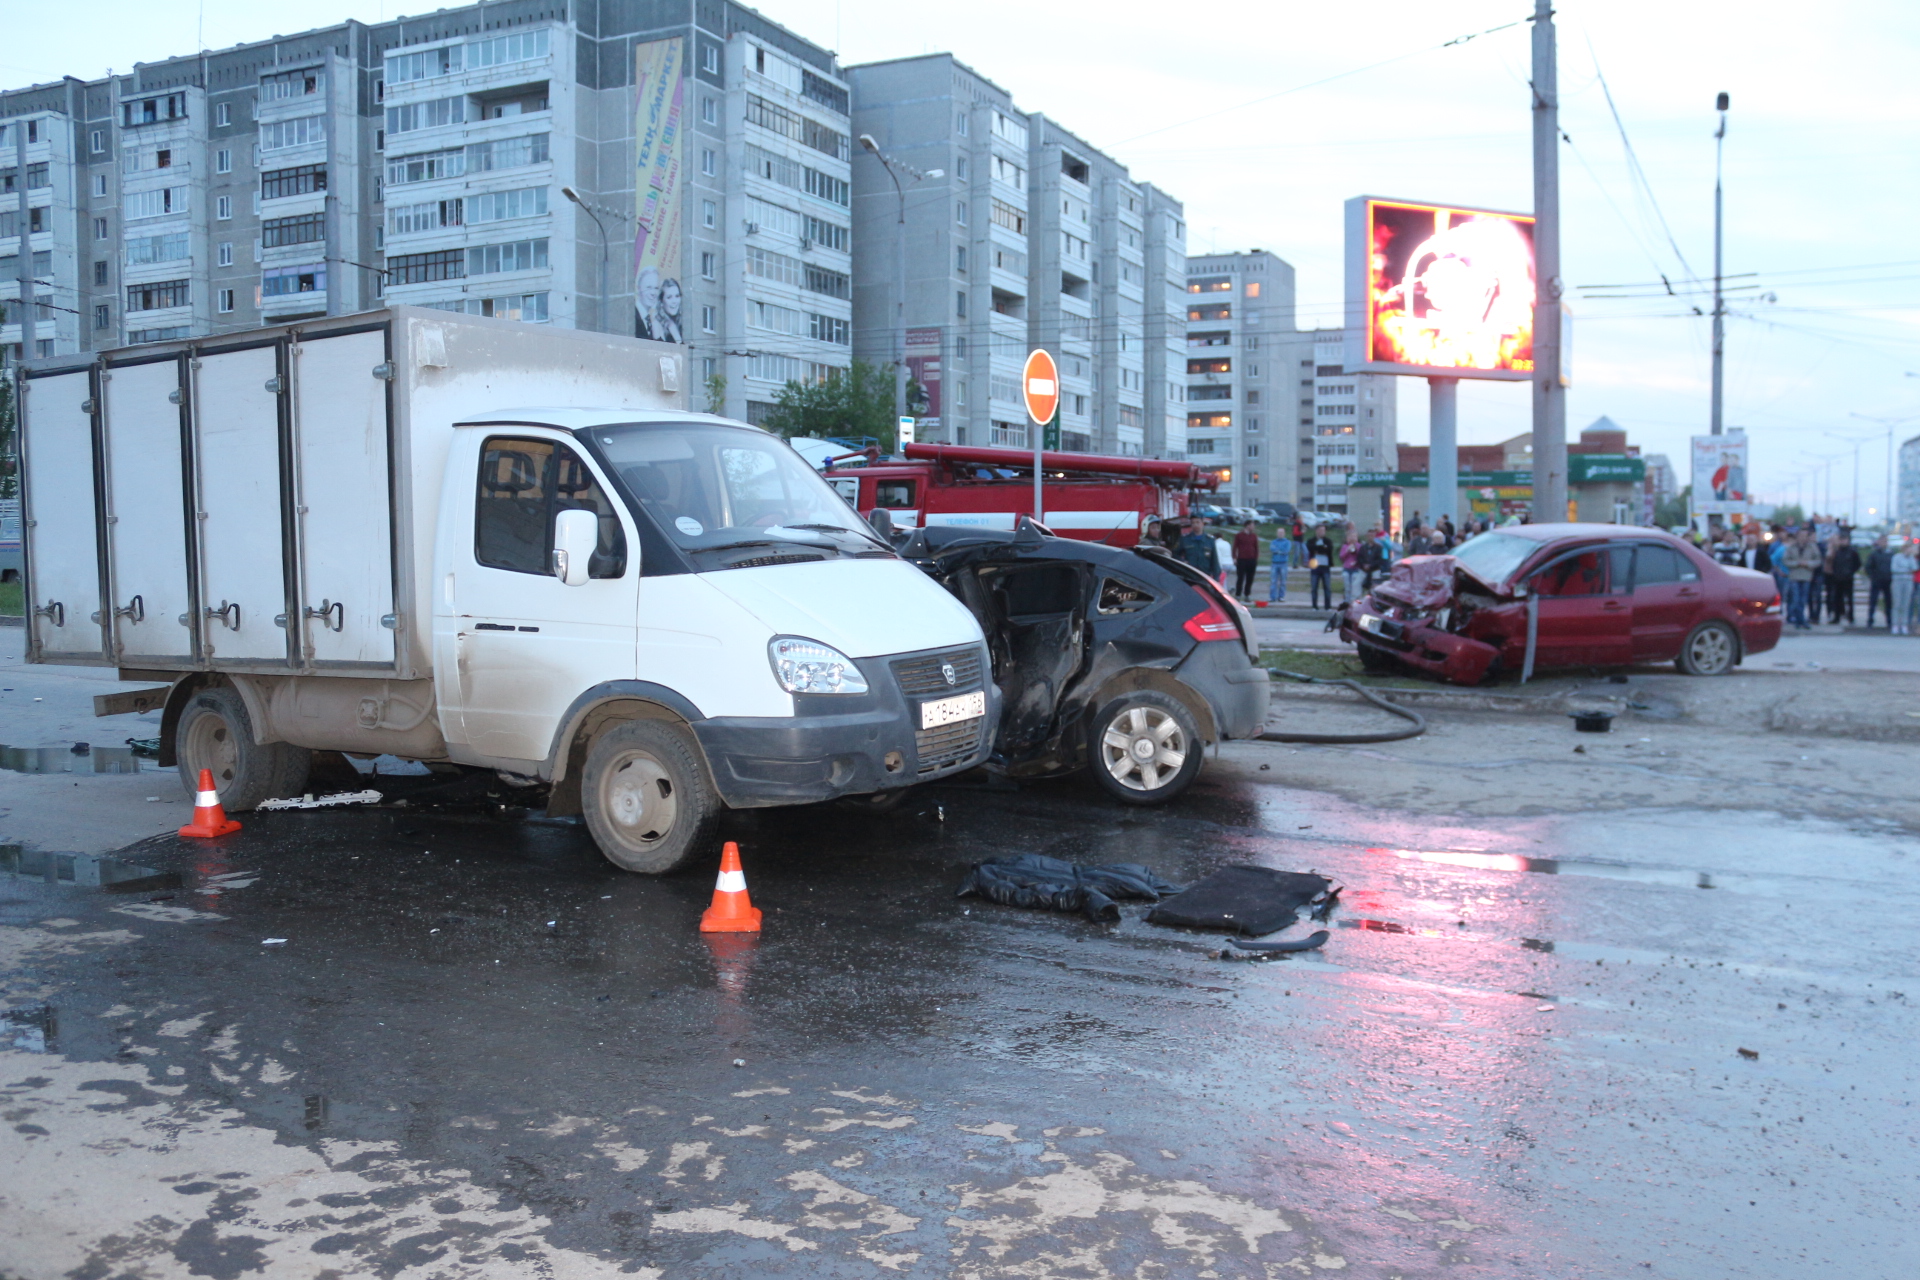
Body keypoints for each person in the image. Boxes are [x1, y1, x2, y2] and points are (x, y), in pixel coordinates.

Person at [1781, 528, 1821, 631]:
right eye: (1801, 535)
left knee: (1803, 599)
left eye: (1805, 536)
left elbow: (1818, 560)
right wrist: (1796, 563)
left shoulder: (1812, 547)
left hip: (1806, 576)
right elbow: (1785, 560)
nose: (1803, 538)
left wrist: (1808, 564)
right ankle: (1799, 619)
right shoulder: (1791, 547)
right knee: (1796, 598)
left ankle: (1800, 619)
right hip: (1794, 576)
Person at [1825, 531, 1860, 625]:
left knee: (1849, 599)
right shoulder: (1837, 551)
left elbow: (1857, 564)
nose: (1843, 542)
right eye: (1841, 540)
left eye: (1845, 540)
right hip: (1837, 578)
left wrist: (1850, 572)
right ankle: (1837, 617)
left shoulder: (1852, 551)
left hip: (1848, 578)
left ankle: (1851, 617)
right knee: (1837, 599)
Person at [1864, 534, 1894, 629]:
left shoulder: (1891, 554)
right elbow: (1868, 567)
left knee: (1888, 602)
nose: (1884, 543)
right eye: (1882, 541)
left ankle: (1889, 621)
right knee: (1873, 601)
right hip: (1877, 581)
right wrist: (1873, 576)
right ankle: (1870, 620)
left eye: (1885, 541)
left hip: (1888, 581)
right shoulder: (1874, 554)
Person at [1304, 524, 1335, 610]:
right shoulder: (1311, 540)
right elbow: (1310, 548)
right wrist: (1321, 548)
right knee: (1314, 587)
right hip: (1315, 567)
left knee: (1327, 587)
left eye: (1324, 530)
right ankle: (1314, 606)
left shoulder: (1328, 541)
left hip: (1325, 567)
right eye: (1320, 530)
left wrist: (1318, 549)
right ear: (1316, 531)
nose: (1322, 532)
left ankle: (1327, 606)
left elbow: (1329, 549)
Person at [1892, 539, 1919, 636]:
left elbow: (1915, 568)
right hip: (1898, 581)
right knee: (1897, 603)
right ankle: (1895, 624)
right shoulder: (1897, 557)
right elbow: (1894, 569)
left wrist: (1906, 568)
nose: (1909, 550)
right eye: (1908, 548)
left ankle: (1904, 624)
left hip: (1908, 582)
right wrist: (1907, 569)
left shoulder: (1911, 558)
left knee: (1906, 604)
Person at [1231, 521, 1261, 601]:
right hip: (1241, 559)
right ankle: (1238, 594)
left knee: (1250, 578)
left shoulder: (1254, 536)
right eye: (1252, 525)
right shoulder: (1239, 535)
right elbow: (1235, 547)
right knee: (1240, 578)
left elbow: (1256, 547)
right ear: (1247, 526)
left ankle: (1247, 594)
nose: (1253, 527)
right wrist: (1234, 557)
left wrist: (1256, 557)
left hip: (1251, 560)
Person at [1267, 523, 1296, 604]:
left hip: (1283, 563)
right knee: (1273, 581)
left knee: (1283, 581)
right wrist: (1280, 551)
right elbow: (1272, 549)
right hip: (1274, 563)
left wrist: (1278, 550)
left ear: (1284, 533)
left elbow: (1286, 551)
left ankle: (1281, 597)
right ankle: (1272, 597)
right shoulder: (1273, 541)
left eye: (1281, 533)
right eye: (1279, 533)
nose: (1280, 534)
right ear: (1277, 533)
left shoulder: (1287, 542)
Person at [634, 266, 663, 340]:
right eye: (648, 287)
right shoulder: (632, 317)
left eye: (656, 288)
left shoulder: (652, 320)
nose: (653, 293)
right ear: (638, 288)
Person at [654, 277, 685, 344]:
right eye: (669, 297)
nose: (674, 301)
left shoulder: (680, 322)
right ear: (661, 302)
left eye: (677, 296)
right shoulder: (656, 324)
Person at [1338, 528, 1363, 602]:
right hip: (1347, 568)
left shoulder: (1360, 546)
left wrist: (1356, 549)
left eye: (1354, 537)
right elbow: (1341, 557)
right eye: (1350, 537)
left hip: (1356, 569)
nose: (1352, 539)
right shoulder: (1345, 546)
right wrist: (1347, 550)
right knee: (1347, 587)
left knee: (1355, 587)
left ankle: (1354, 602)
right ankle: (1347, 601)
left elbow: (1361, 556)